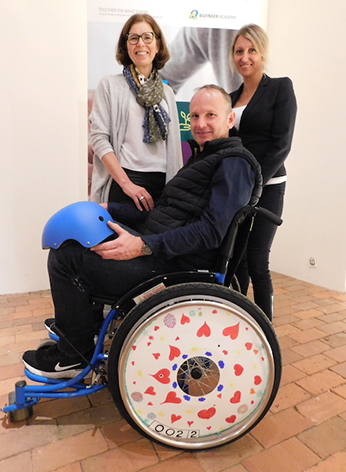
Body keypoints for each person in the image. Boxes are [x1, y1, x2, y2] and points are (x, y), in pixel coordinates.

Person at [22, 85, 257, 379]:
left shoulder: (234, 163)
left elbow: (211, 232)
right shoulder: (205, 158)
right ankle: (80, 329)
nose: (200, 124)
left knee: (66, 258)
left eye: (210, 115)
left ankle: (73, 357)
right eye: (195, 116)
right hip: (164, 258)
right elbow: (163, 213)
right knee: (84, 237)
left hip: (176, 272)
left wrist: (144, 246)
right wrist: (110, 208)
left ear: (229, 119)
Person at [229, 24, 297, 320]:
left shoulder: (281, 87)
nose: (245, 57)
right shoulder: (230, 97)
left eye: (251, 50)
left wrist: (255, 182)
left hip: (269, 186)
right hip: (240, 188)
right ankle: (240, 323)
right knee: (238, 259)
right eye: (239, 51)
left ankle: (265, 329)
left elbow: (282, 145)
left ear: (262, 53)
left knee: (257, 259)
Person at [89, 14, 182, 211]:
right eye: (133, 38)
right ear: (126, 46)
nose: (141, 43)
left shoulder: (167, 93)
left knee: (153, 242)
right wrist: (126, 185)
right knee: (117, 241)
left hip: (162, 186)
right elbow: (99, 139)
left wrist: (173, 193)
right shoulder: (110, 85)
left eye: (147, 37)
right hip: (125, 183)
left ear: (157, 45)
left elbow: (174, 150)